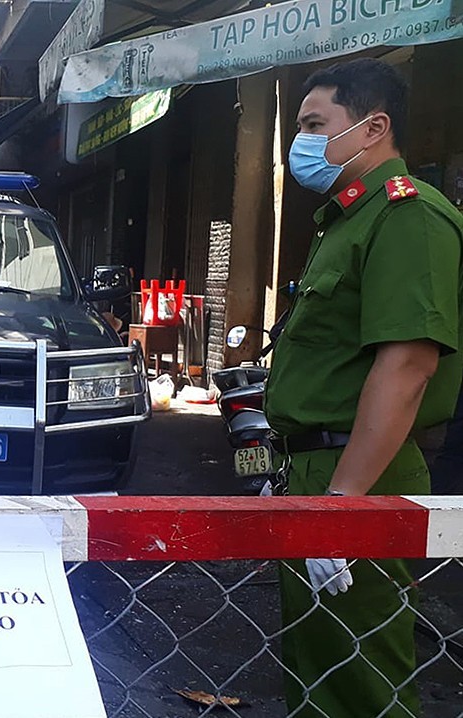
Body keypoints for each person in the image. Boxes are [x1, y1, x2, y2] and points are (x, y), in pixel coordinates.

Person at [264, 58, 463, 717]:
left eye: (315, 124)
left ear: (373, 127)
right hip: (319, 469)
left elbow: (406, 367)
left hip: (360, 474)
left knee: (358, 682)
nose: (300, 142)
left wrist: (341, 505)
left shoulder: (407, 215)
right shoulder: (346, 219)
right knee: (316, 669)